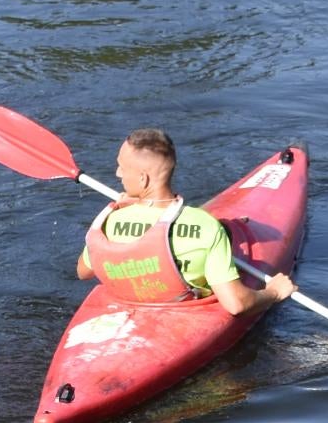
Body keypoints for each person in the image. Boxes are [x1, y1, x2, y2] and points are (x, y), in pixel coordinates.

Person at [79, 128, 299, 318]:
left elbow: (84, 271)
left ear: (143, 178)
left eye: (122, 167)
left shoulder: (110, 220)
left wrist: (120, 209)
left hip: (131, 304)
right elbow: (236, 304)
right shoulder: (205, 226)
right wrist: (274, 292)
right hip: (183, 306)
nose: (117, 173)